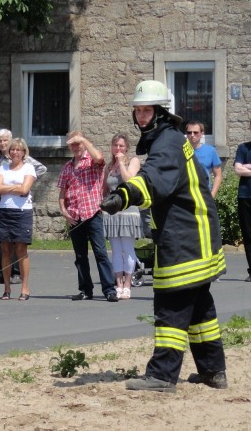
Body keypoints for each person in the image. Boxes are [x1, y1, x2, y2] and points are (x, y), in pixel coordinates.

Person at [101, 79, 226, 392]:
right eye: (138, 110)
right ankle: (213, 372)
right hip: (195, 234)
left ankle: (162, 375)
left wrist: (122, 196)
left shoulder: (167, 141)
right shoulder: (169, 137)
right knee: (199, 307)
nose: (142, 116)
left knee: (171, 301)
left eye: (147, 110)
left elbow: (155, 180)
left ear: (160, 112)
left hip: (185, 237)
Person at [0, 129, 46, 285]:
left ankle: (15, 272)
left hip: (20, 202)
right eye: (0, 141)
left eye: (5, 141)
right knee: (0, 237)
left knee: (17, 241)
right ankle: (0, 273)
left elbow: (40, 170)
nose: (3, 143)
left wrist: (28, 182)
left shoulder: (24, 161)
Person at [58, 130, 117, 302]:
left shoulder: (91, 161)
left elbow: (99, 158)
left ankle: (109, 289)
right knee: (80, 256)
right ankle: (85, 289)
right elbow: (62, 192)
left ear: (84, 143)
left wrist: (83, 138)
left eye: (78, 143)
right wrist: (64, 210)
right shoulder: (67, 167)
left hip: (92, 213)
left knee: (100, 253)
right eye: (72, 144)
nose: (76, 147)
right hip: (75, 216)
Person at [0, 138, 36, 301]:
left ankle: (25, 288)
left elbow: (25, 189)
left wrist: (8, 188)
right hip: (5, 211)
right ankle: (7, 288)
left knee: (21, 250)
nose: (15, 152)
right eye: (12, 149)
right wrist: (16, 188)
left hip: (21, 211)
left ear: (24, 152)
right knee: (5, 250)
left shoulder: (29, 168)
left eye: (18, 150)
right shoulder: (3, 167)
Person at [103, 133, 143, 299]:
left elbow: (129, 180)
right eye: (115, 146)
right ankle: (118, 283)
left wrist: (121, 163)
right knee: (116, 250)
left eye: (121, 146)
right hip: (112, 213)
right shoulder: (108, 167)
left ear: (126, 147)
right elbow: (105, 189)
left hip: (129, 211)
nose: (118, 149)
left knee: (127, 249)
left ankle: (128, 284)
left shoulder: (133, 161)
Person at [186, 121, 222, 198]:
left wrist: (212, 195)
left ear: (202, 134)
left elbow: (218, 175)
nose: (192, 135)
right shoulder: (181, 151)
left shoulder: (210, 151)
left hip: (204, 193)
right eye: (189, 132)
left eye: (195, 132)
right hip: (185, 194)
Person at [236, 132, 251, 283]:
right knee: (248, 235)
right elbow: (238, 170)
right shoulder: (243, 148)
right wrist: (243, 167)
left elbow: (243, 168)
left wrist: (247, 167)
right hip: (245, 196)